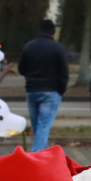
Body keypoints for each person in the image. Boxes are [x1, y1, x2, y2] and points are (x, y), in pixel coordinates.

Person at [17, 19, 70, 152]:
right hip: (51, 92)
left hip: (32, 90)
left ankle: (43, 155)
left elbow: (21, 69)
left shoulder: (29, 47)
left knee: (38, 128)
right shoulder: (58, 48)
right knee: (43, 127)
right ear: (53, 32)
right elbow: (64, 72)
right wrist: (60, 91)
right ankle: (36, 158)